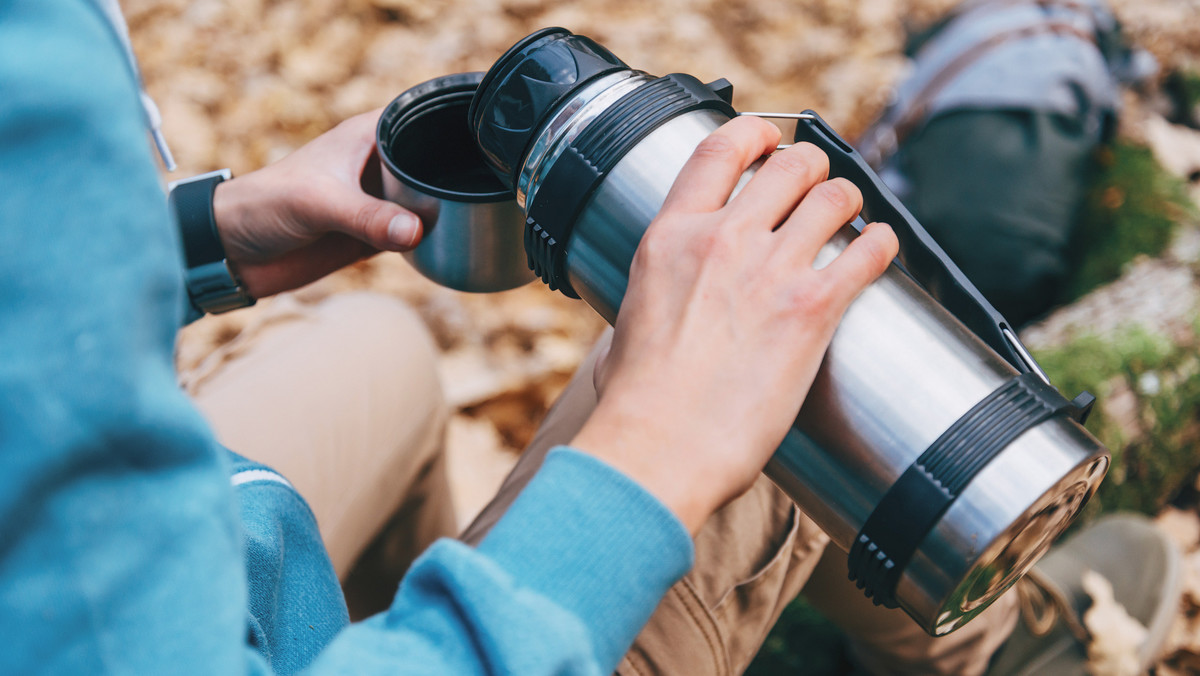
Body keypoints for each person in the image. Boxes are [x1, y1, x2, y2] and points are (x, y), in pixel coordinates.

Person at [0, 2, 1179, 676]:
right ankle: (1017, 650)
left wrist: (196, 239)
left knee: (379, 351)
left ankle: (411, 609)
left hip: (218, 563)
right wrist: (652, 449)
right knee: (776, 331)